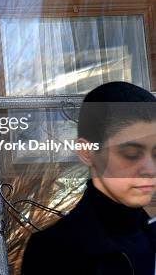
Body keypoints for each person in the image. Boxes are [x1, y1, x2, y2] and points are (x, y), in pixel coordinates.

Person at [22, 81, 156, 275]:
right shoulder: (55, 251)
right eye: (131, 154)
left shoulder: (149, 236)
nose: (150, 170)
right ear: (87, 152)